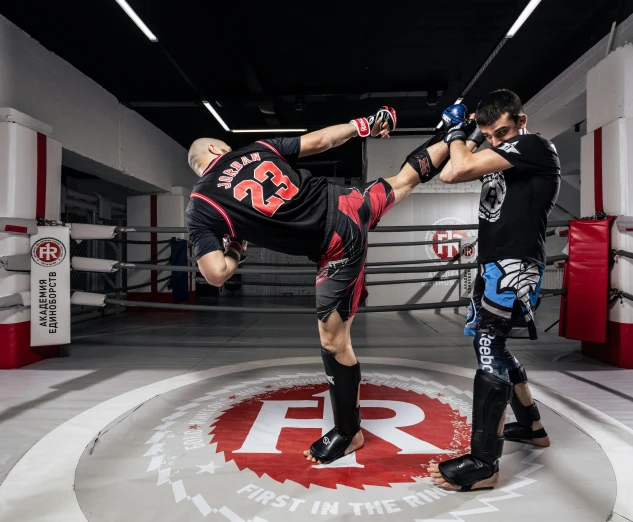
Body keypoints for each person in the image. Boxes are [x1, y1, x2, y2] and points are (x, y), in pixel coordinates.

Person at [185, 107, 450, 465]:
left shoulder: (201, 203)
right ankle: (458, 135)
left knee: (334, 341)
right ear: (219, 151)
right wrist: (366, 124)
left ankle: (348, 432)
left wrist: (234, 247)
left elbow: (216, 273)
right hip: (349, 202)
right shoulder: (258, 148)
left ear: (201, 166)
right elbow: (322, 139)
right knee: (402, 180)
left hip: (335, 247)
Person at [427, 89, 560, 491]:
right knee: (495, 347)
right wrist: (467, 132)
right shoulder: (502, 151)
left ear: (521, 120)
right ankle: (532, 426)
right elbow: (450, 173)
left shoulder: (533, 145)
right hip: (494, 263)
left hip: (514, 264)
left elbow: (459, 165)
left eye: (503, 131)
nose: (498, 141)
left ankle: (485, 463)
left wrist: (459, 132)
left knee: (487, 347)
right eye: (491, 136)